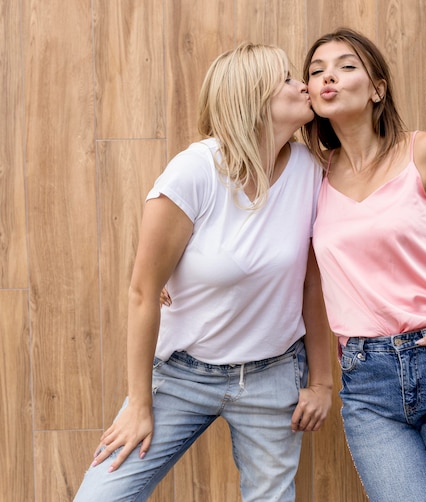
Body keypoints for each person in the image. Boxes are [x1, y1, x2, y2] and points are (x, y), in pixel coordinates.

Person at [74, 42, 332, 502]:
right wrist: (139, 404)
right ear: (253, 98)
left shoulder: (311, 173)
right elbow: (142, 291)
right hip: (181, 374)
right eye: (288, 78)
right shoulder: (195, 172)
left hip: (273, 375)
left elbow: (312, 285)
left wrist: (321, 382)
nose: (302, 85)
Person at [301, 28, 426, 502]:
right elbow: (292, 271)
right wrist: (177, 275)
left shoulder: (424, 152)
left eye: (345, 65)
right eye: (316, 71)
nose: (328, 75)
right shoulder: (311, 175)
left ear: (378, 88)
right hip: (367, 382)